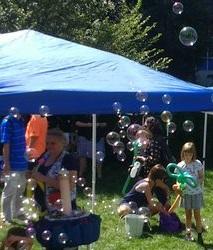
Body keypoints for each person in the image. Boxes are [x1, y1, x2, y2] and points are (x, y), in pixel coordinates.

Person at [32, 128, 79, 214]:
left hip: (61, 208)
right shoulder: (44, 155)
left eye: (53, 143)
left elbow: (70, 186)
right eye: (47, 143)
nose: (49, 146)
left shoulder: (68, 159)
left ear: (63, 143)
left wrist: (43, 178)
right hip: (42, 206)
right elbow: (35, 172)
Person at [0, 114, 28, 222]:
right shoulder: (8, 122)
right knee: (10, 190)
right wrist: (6, 163)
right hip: (13, 163)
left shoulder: (21, 119)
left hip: (23, 162)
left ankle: (18, 212)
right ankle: (6, 217)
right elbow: (6, 144)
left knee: (20, 190)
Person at [177, 142, 204, 245]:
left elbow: (201, 176)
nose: (187, 156)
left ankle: (199, 233)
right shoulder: (180, 165)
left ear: (193, 154)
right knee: (188, 215)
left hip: (196, 193)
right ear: (182, 154)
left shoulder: (197, 163)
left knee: (197, 214)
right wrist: (179, 185)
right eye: (185, 154)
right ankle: (188, 234)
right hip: (186, 194)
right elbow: (178, 179)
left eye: (190, 154)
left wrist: (197, 182)